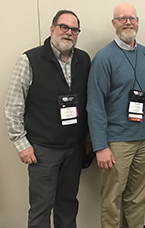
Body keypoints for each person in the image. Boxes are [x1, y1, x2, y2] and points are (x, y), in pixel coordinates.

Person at [4, 9, 90, 228]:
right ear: (52, 29)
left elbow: (90, 102)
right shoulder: (30, 60)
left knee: (68, 204)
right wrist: (21, 144)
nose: (69, 33)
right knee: (41, 207)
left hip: (74, 149)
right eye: (64, 27)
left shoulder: (83, 60)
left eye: (74, 29)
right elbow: (13, 106)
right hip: (43, 151)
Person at [86, 3, 145, 228]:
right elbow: (95, 104)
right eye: (123, 18)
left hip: (144, 139)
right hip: (116, 142)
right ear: (113, 23)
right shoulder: (104, 58)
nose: (128, 22)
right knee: (112, 199)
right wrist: (100, 146)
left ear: (138, 22)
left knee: (137, 197)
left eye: (132, 18)